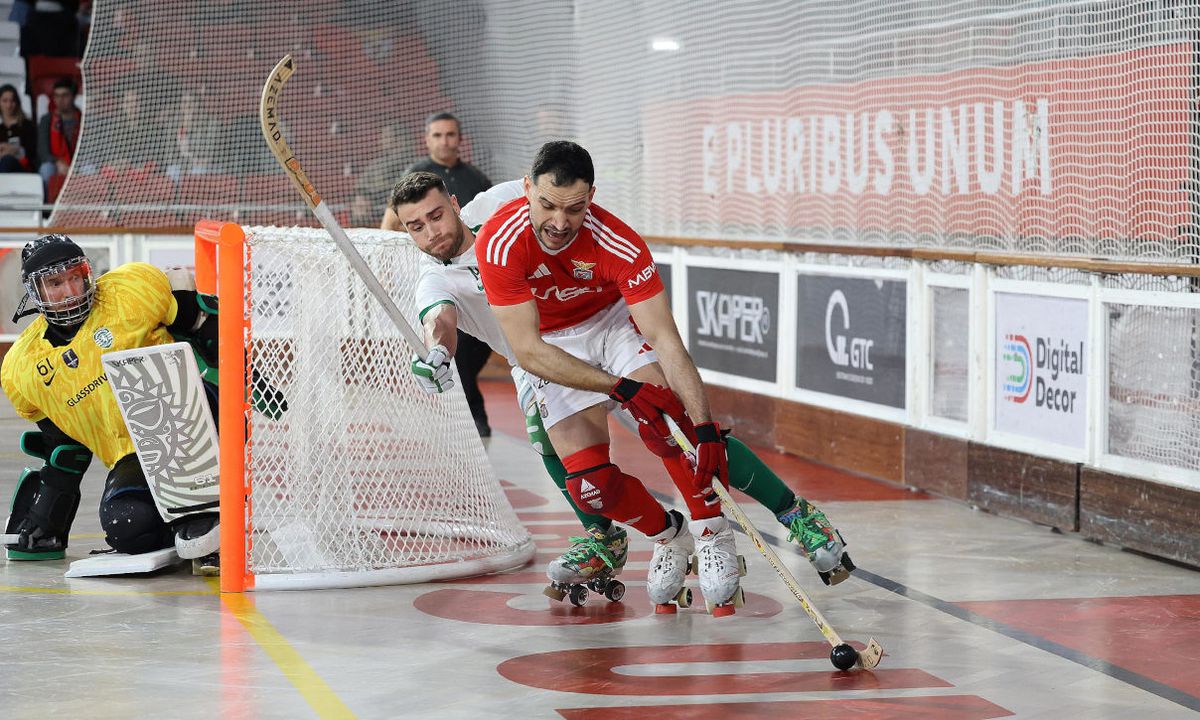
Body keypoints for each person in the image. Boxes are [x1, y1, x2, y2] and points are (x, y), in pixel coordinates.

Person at [395, 162, 850, 612]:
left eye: (437, 215)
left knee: (671, 427)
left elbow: (562, 196)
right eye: (417, 226)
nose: (432, 232)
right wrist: (437, 353)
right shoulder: (433, 278)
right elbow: (441, 322)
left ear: (454, 205)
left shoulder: (501, 205)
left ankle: (787, 516)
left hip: (604, 320)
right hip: (537, 353)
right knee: (577, 472)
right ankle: (652, 536)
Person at [0, 234, 220, 568]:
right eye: (55, 283)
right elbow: (64, 446)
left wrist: (247, 379)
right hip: (134, 452)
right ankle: (181, 522)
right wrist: (47, 514)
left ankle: (206, 508)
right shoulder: (23, 367)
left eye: (76, 276)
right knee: (127, 525)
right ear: (35, 293)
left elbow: (206, 328)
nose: (71, 290)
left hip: (192, 420)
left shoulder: (129, 292)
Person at [393, 111, 494, 438]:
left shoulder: (478, 183)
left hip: (491, 289)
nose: (444, 141)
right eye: (437, 135)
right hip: (445, 283)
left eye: (450, 134)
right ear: (427, 139)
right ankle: (475, 417)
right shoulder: (414, 175)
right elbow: (440, 323)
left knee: (476, 352)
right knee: (455, 349)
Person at [36, 77, 80, 190]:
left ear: (74, 96)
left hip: (79, 163)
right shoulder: (47, 120)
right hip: (55, 163)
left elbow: (90, 149)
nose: (60, 100)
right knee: (46, 169)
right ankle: (46, 207)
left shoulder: (83, 119)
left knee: (91, 170)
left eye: (65, 95)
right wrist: (58, 163)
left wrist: (74, 164)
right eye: (57, 96)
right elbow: (43, 151)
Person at [0, 84, 37, 173]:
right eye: (5, 101)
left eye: (12, 101)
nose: (9, 105)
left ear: (17, 103)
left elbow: (33, 153)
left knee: (7, 160)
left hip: (23, 168)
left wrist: (16, 150)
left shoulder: (27, 125)